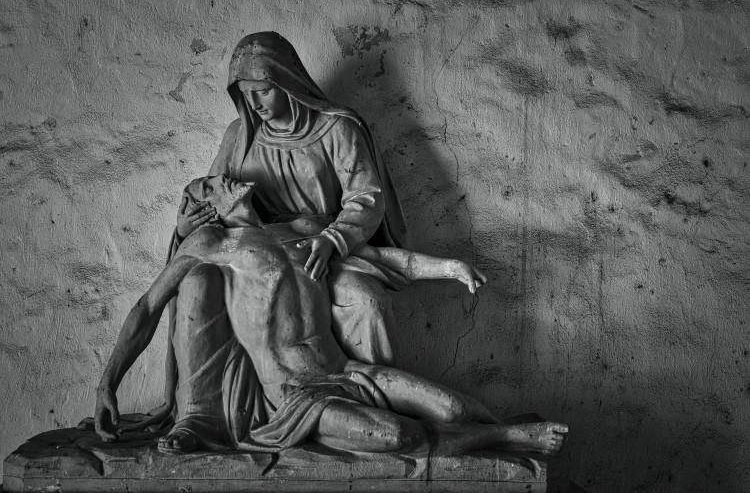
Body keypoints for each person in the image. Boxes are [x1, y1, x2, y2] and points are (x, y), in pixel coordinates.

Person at [95, 175, 568, 458]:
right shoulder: (213, 244)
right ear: (205, 210)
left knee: (455, 409)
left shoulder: (304, 231)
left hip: (347, 371)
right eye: (208, 186)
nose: (221, 178)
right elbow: (147, 309)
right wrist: (107, 384)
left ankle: (500, 431)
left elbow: (387, 259)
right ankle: (508, 436)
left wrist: (450, 268)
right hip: (295, 394)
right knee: (398, 435)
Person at [173, 31, 408, 367]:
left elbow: (366, 196)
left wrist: (333, 240)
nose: (255, 103)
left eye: (263, 91)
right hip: (258, 256)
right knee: (206, 291)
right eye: (246, 94)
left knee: (369, 303)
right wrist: (186, 228)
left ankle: (374, 391)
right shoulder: (239, 136)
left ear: (286, 82)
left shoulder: (337, 128)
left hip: (323, 252)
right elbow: (213, 200)